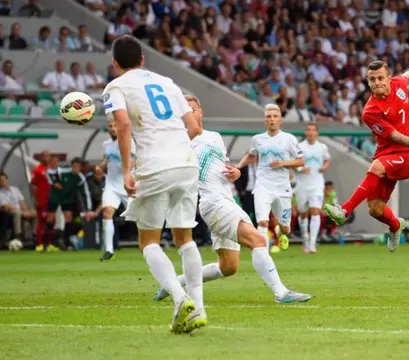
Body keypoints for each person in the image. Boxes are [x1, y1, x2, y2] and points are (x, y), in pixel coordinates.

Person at [153, 96, 311, 304]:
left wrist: (234, 172)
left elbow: (224, 167)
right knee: (258, 240)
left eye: (193, 109)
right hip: (213, 203)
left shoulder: (215, 137)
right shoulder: (181, 144)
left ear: (201, 112)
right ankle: (281, 293)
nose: (190, 113)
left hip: (226, 200)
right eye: (185, 111)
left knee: (228, 267)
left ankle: (173, 282)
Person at [102, 35, 205, 334]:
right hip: (187, 163)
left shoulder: (116, 86)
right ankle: (198, 308)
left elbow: (123, 125)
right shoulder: (168, 82)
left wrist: (126, 170)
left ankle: (179, 297)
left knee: (148, 240)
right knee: (184, 237)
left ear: (116, 64)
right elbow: (195, 127)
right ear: (143, 60)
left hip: (155, 165)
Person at [323, 61, 409, 252]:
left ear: (388, 79)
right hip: (389, 152)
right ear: (368, 82)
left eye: (380, 78)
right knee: (375, 209)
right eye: (372, 79)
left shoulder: (399, 84)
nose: (377, 82)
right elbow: (394, 136)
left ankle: (344, 210)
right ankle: (395, 226)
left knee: (377, 167)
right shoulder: (371, 111)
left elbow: (406, 75)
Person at [236, 104, 304, 253]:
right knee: (262, 221)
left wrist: (284, 163)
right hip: (263, 186)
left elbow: (301, 161)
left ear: (280, 120)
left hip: (282, 187)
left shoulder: (289, 139)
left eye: (275, 116)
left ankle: (281, 232)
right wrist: (238, 167)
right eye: (269, 117)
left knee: (286, 228)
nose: (272, 119)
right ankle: (263, 255)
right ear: (265, 121)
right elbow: (251, 154)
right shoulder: (257, 139)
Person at [96, 119, 136, 261]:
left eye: (114, 126)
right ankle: (108, 250)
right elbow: (108, 159)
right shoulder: (107, 144)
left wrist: (131, 164)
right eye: (110, 126)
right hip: (111, 185)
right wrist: (100, 167)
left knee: (139, 218)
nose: (112, 128)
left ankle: (152, 243)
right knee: (107, 213)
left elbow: (141, 158)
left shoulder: (129, 141)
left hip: (128, 185)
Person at [295, 123, 331, 254]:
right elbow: (293, 163)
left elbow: (327, 160)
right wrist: (300, 168)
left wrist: (325, 167)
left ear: (317, 133)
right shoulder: (299, 147)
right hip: (302, 185)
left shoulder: (322, 147)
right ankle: (305, 238)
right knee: (303, 213)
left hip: (317, 184)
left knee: (315, 211)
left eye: (313, 130)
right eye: (308, 130)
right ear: (305, 132)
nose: (311, 132)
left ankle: (312, 243)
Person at [46, 157, 95, 251]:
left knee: (68, 218)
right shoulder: (62, 171)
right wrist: (54, 182)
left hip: (67, 199)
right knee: (50, 218)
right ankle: (46, 244)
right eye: (74, 167)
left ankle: (66, 243)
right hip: (55, 197)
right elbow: (49, 172)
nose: (76, 169)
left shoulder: (80, 178)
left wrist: (88, 208)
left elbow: (85, 193)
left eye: (78, 167)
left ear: (80, 168)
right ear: (71, 166)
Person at [30, 151, 51, 252]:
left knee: (52, 221)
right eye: (44, 156)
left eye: (48, 156)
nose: (46, 158)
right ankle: (39, 244)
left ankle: (50, 244)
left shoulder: (51, 169)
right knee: (42, 222)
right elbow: (33, 185)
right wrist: (36, 199)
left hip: (52, 200)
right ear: (41, 158)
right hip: (42, 200)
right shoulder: (37, 170)